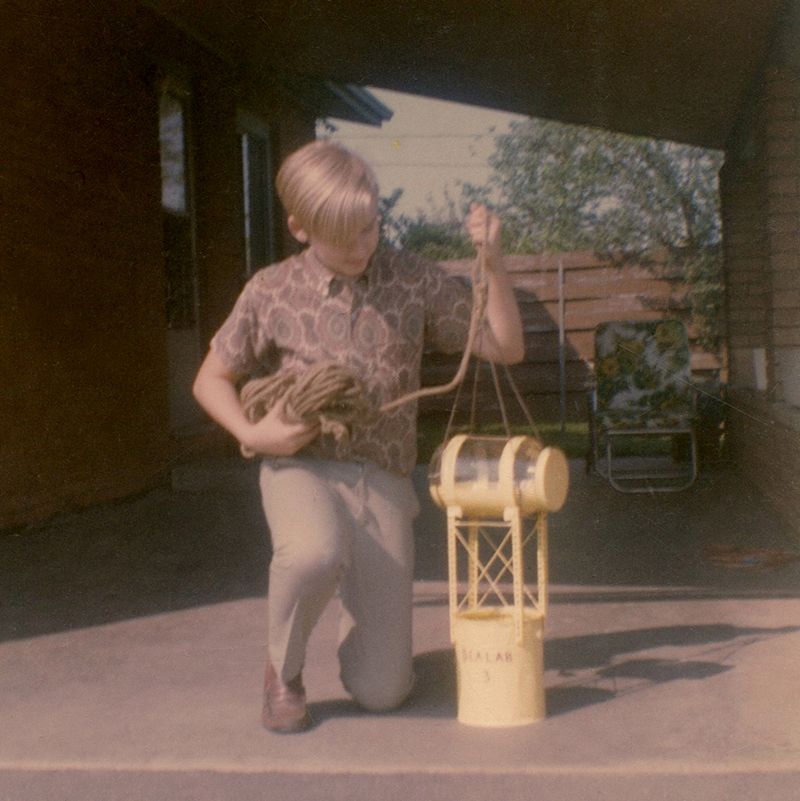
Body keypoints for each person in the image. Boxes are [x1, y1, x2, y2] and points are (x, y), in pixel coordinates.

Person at [192, 140, 524, 733]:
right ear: (298, 227)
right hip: (302, 469)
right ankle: (283, 671)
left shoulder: (414, 280)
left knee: (384, 690)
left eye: (368, 229)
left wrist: (494, 263)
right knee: (314, 551)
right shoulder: (270, 290)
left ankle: (367, 639)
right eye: (340, 235)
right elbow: (210, 378)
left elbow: (505, 346)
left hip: (384, 480)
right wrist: (253, 433)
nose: (359, 246)